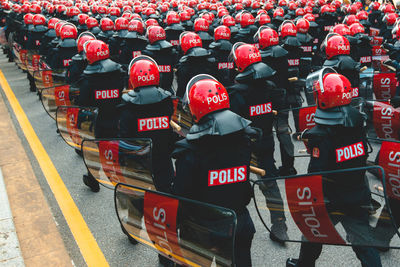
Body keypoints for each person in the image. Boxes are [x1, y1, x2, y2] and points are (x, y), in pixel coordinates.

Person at [287, 72, 382, 267]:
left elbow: (316, 173)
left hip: (331, 199)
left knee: (313, 233)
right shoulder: (358, 122)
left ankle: (304, 264)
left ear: (322, 98)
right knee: (364, 243)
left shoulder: (320, 135)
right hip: (357, 193)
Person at [172, 74, 256, 267]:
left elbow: (181, 196)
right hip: (238, 222)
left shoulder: (190, 151)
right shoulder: (244, 140)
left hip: (200, 230)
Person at [228, 43, 289, 243]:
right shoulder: (269, 87)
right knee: (270, 184)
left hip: (241, 147)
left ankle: (233, 224)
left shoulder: (236, 93)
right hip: (266, 143)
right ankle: (280, 224)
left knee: (234, 185)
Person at [78, 40, 124, 192]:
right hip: (117, 119)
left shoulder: (87, 80)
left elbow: (83, 104)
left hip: (98, 123)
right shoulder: (119, 72)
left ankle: (93, 178)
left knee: (93, 151)